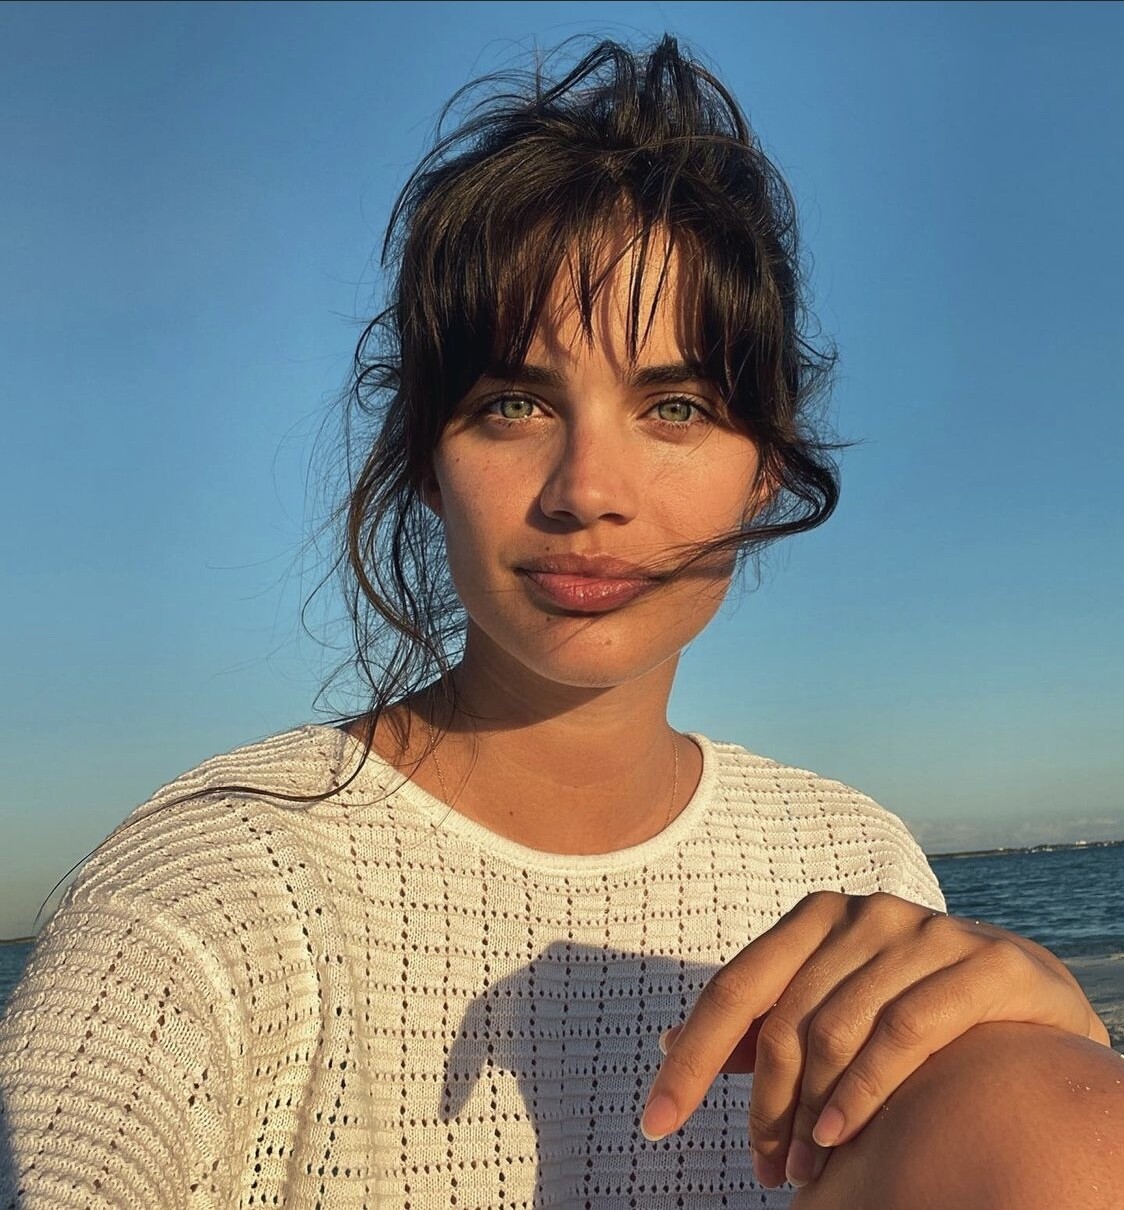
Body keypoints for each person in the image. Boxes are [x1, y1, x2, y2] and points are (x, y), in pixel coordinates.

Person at [1, 36, 1120, 1210]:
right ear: (425, 460)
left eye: (673, 407)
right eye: (514, 404)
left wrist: (1053, 1076)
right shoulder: (216, 896)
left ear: (765, 468)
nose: (586, 490)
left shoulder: (853, 866)